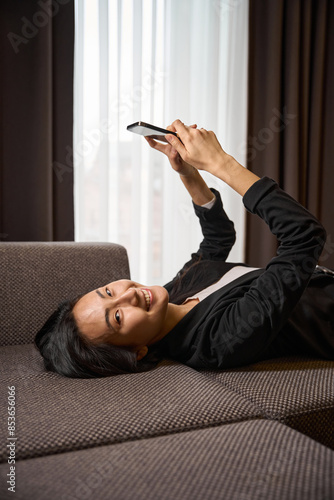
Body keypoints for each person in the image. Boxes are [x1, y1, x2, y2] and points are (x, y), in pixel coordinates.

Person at [35, 120, 334, 378]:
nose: (130, 294)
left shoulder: (171, 294)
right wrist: (220, 163)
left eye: (109, 292)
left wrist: (189, 174)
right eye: (117, 318)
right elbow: (304, 237)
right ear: (137, 353)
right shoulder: (218, 340)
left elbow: (218, 240)